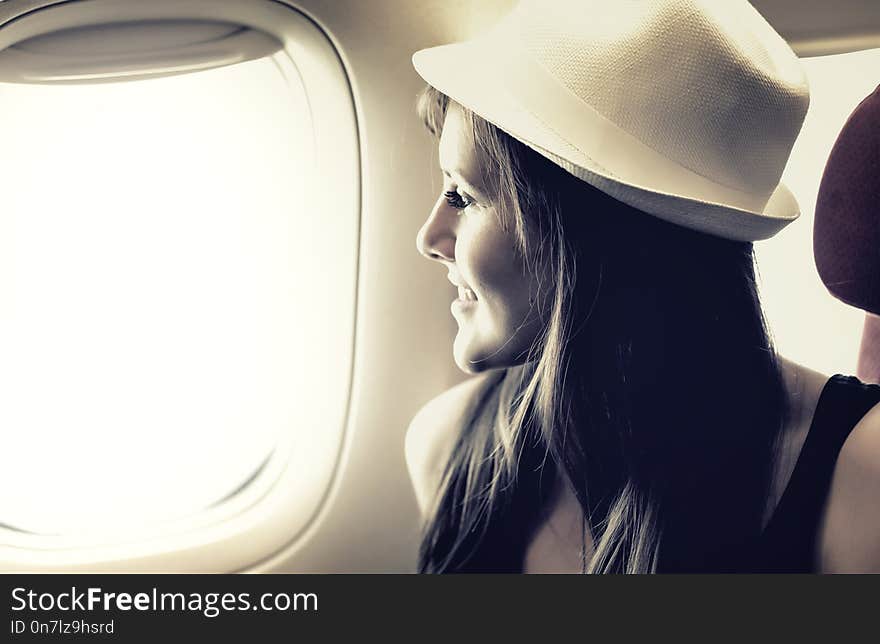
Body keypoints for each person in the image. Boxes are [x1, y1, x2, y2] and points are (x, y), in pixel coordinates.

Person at [405, 0, 880, 573]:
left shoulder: (861, 479)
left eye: (463, 195)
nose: (429, 236)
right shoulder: (444, 445)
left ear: (597, 238)